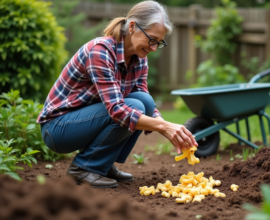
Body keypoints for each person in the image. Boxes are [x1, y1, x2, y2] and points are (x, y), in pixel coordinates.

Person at [37, 0, 198, 188]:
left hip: (85, 120)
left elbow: (145, 102)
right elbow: (117, 110)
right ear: (132, 27)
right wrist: (164, 126)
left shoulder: (139, 59)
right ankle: (83, 168)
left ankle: (102, 164)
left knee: (144, 101)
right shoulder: (100, 51)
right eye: (151, 39)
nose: (154, 48)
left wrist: (169, 129)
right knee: (133, 107)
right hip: (58, 128)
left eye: (159, 42)